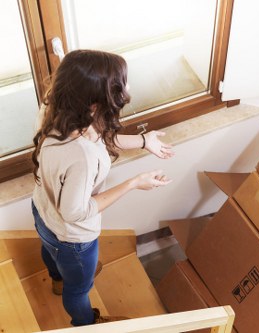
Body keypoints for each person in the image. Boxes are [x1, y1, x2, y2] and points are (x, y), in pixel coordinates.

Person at [31, 49, 175, 326]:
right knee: (79, 290)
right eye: (120, 85)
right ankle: (85, 324)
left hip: (41, 213)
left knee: (51, 252)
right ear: (94, 104)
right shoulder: (81, 156)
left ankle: (58, 278)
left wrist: (144, 141)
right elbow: (74, 212)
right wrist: (134, 183)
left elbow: (97, 137)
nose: (128, 88)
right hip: (73, 240)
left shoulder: (54, 107)